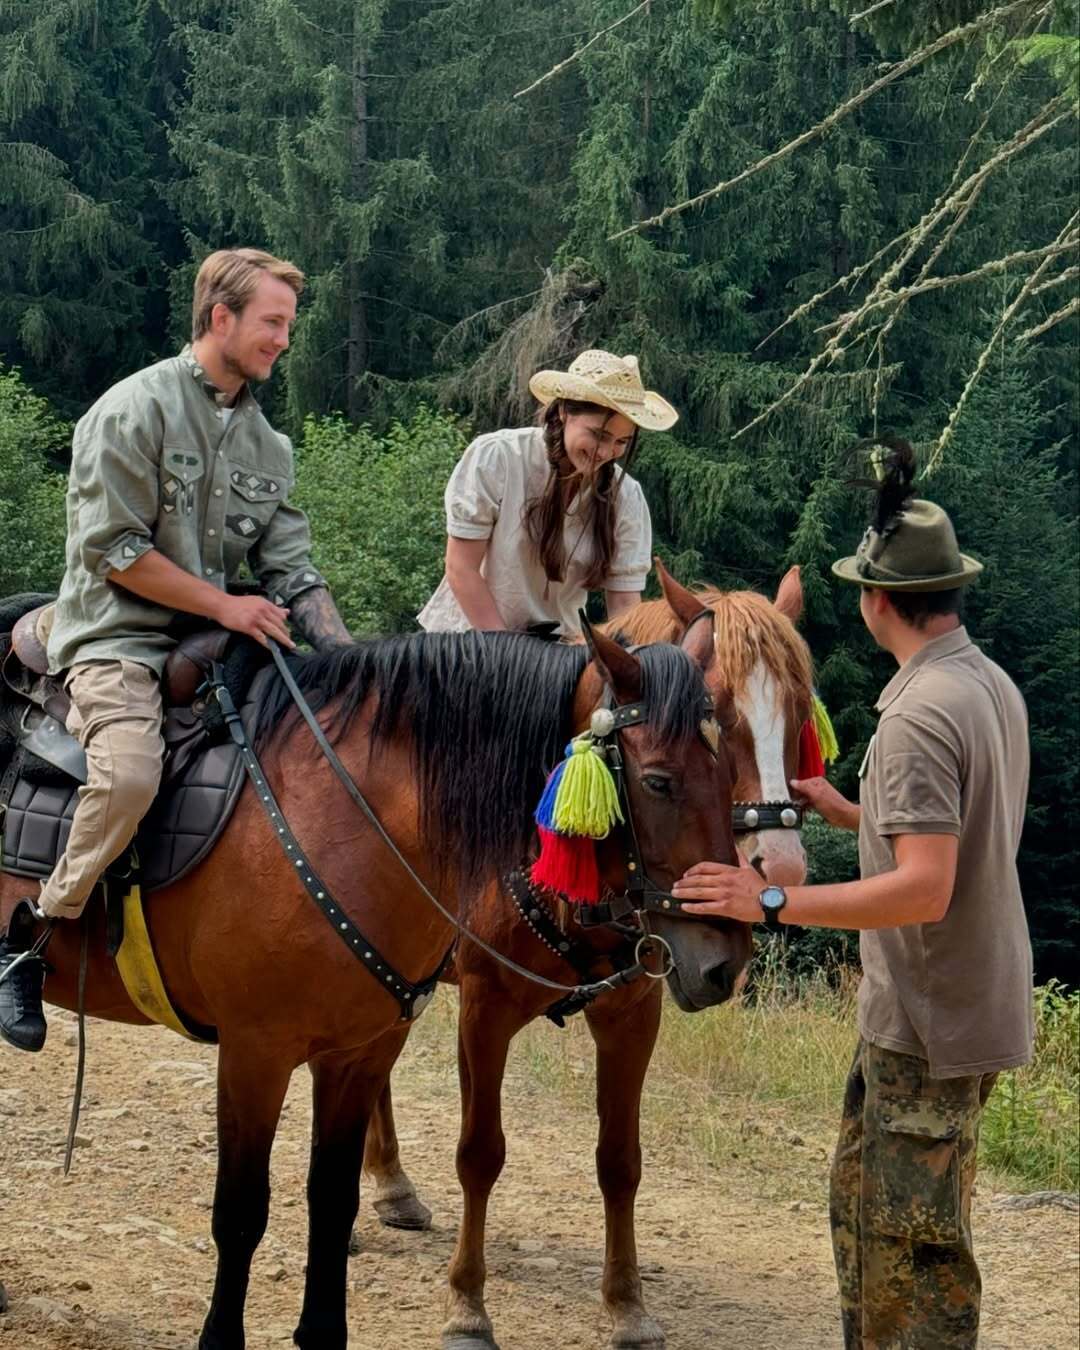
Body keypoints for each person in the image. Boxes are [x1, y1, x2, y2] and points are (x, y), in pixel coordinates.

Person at [670, 447, 1033, 1350]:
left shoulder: (915, 715)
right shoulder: (985, 684)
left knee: (909, 1254)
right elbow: (959, 828)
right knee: (873, 1219)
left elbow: (924, 887)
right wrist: (850, 807)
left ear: (875, 600)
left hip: (929, 1015)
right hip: (948, 1004)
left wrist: (770, 905)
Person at [0, 247, 350, 1053]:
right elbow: (115, 550)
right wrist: (228, 604)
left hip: (217, 640)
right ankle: (30, 935)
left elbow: (292, 569)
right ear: (219, 317)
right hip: (113, 637)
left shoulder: (270, 446)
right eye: (272, 322)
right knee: (127, 776)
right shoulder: (129, 410)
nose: (283, 341)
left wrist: (351, 668)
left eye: (288, 326)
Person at [418, 349, 677, 637]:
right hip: (469, 644)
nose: (606, 452)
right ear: (565, 412)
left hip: (557, 658)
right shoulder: (498, 458)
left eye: (621, 442)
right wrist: (507, 653)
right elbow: (460, 569)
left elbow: (625, 604)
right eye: (598, 435)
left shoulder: (626, 496)